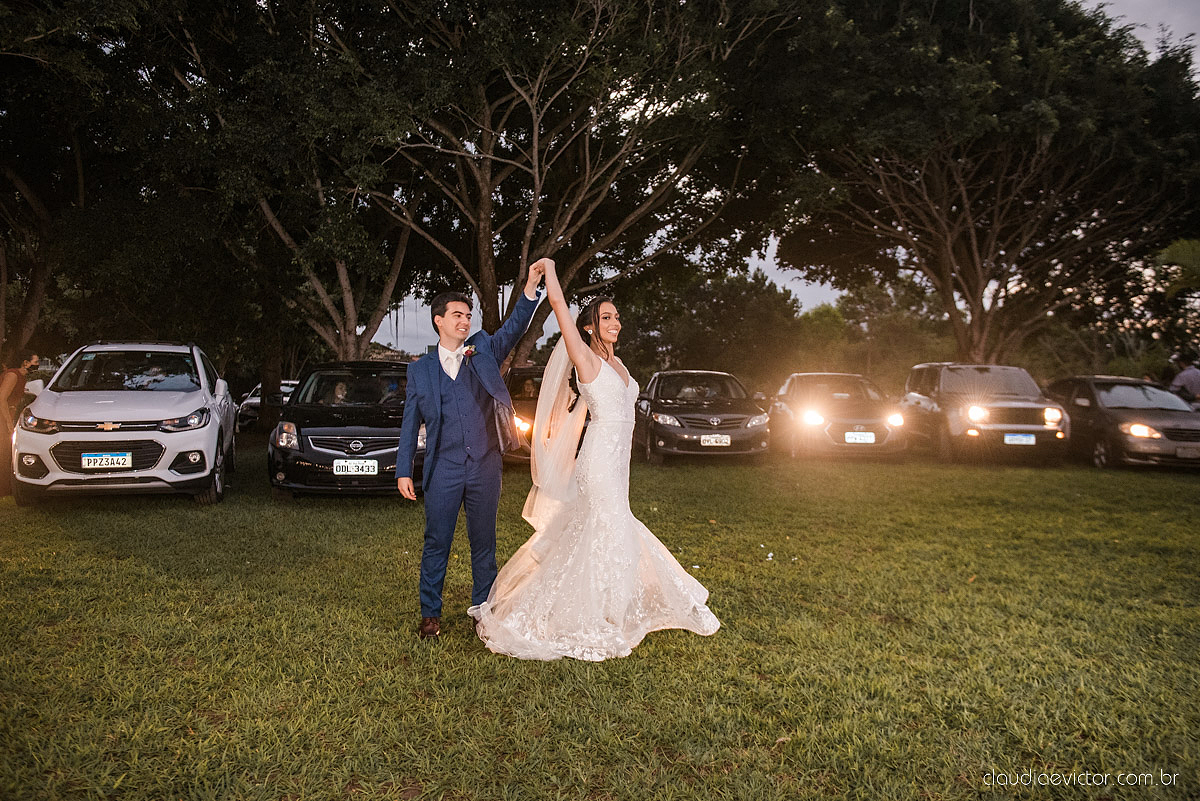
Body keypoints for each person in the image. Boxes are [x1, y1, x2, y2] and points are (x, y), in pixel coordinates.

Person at [470, 259, 719, 661]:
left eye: (617, 316)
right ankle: (599, 610)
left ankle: (610, 603)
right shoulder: (585, 358)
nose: (614, 322)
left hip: (619, 465)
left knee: (611, 528)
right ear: (589, 326)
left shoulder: (620, 364)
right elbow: (558, 305)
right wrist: (550, 270)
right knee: (607, 527)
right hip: (598, 464)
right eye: (606, 317)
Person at [395, 262, 546, 639]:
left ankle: (484, 612)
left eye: (468, 315)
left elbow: (513, 328)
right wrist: (402, 470)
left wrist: (529, 288)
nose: (465, 321)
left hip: (484, 465)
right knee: (436, 543)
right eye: (457, 315)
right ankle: (431, 615)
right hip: (442, 469)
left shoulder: (484, 350)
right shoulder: (420, 371)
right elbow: (411, 423)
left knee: (484, 544)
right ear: (438, 321)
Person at [0, 349, 39, 497]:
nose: (37, 365)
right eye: (35, 362)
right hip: (4, 416)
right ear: (25, 363)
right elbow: (2, 398)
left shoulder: (21, 377)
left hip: (10, 415)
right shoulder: (12, 375)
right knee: (3, 453)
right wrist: (9, 423)